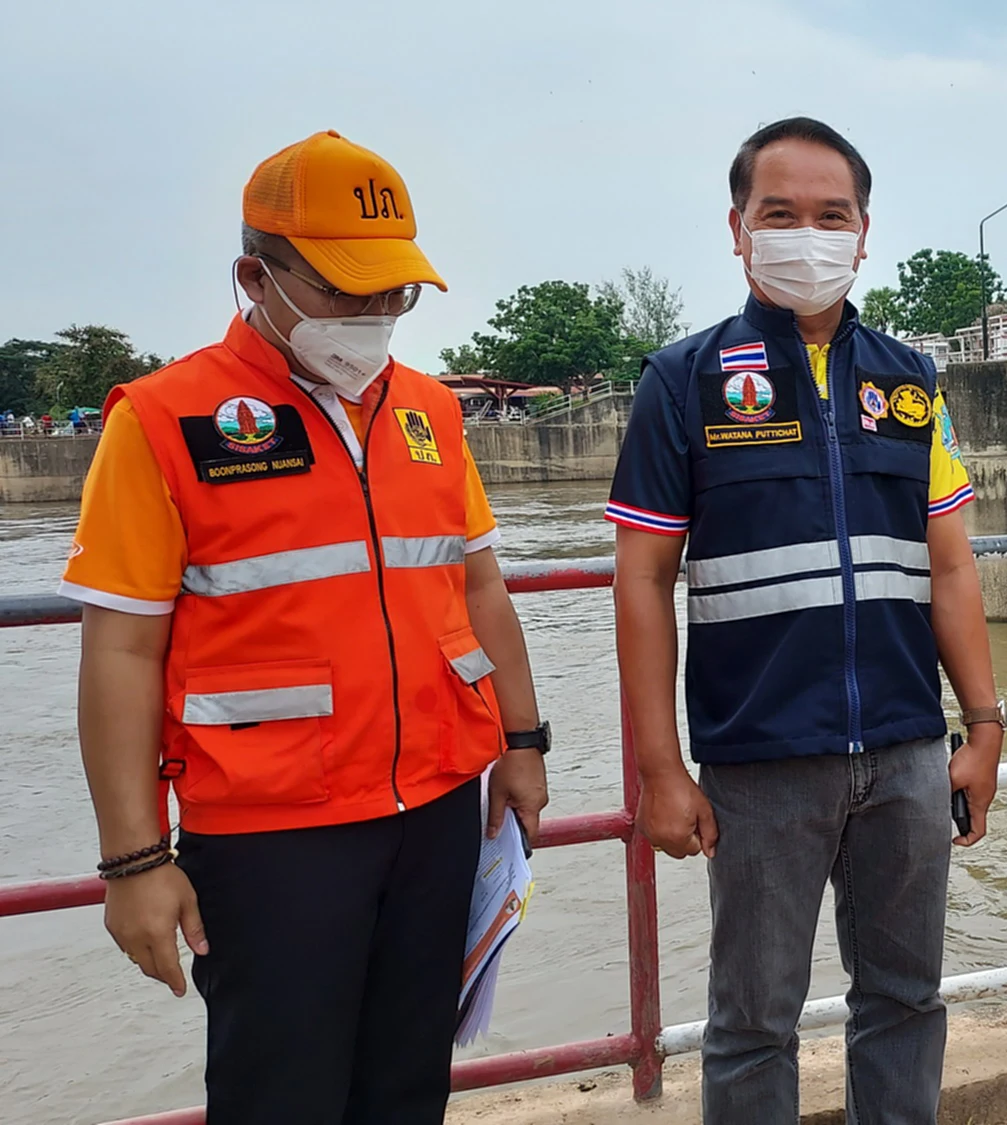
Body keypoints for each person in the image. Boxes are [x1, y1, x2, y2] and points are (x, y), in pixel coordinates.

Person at [64, 130, 551, 1125]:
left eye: (395, 293)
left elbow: (481, 591)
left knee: (407, 1084)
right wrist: (133, 861)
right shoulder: (163, 420)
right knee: (280, 1096)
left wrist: (522, 742)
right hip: (271, 836)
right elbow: (121, 647)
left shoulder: (429, 413)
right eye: (343, 291)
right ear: (256, 276)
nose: (374, 318)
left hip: (435, 811)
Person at [608, 116, 1005, 1124]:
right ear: (737, 228)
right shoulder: (683, 383)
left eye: (832, 216)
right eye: (779, 213)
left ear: (864, 233)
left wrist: (984, 724)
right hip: (760, 762)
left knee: (905, 1000)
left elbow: (949, 563)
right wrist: (660, 768)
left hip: (907, 753)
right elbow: (643, 581)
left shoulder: (908, 382)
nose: (807, 236)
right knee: (752, 1021)